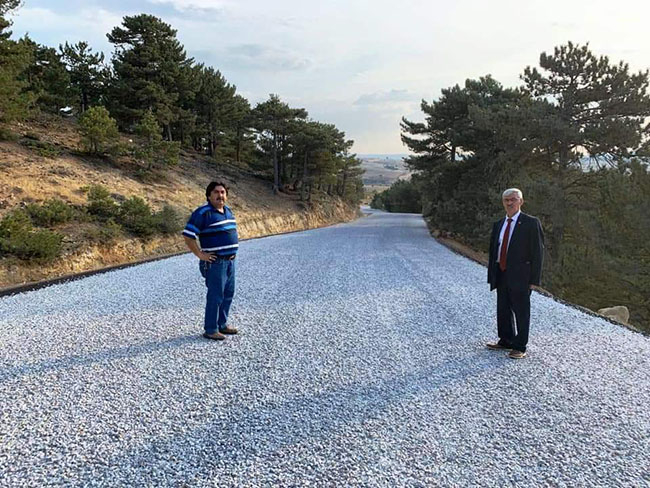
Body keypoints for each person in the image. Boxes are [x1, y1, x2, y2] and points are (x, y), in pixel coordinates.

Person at [486, 188, 544, 359]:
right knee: (503, 308)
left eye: (513, 199)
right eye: (506, 200)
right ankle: (506, 340)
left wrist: (534, 279)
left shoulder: (531, 223)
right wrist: (492, 275)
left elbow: (538, 253)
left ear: (521, 201)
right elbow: (494, 251)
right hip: (501, 272)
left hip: (521, 275)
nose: (510, 203)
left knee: (521, 311)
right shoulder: (499, 224)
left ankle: (519, 346)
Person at [183, 181, 239, 341]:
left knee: (228, 294)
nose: (220, 195)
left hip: (230, 262)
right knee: (215, 296)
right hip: (215, 262)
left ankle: (222, 324)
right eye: (216, 192)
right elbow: (188, 235)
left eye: (223, 192)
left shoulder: (227, 211)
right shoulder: (202, 213)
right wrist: (200, 254)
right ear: (209, 195)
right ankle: (211, 329)